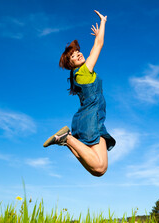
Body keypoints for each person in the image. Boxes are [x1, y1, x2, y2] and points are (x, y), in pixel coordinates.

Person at [43, 10, 115, 177]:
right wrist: (103, 23)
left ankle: (67, 141)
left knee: (100, 169)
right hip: (91, 120)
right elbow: (98, 45)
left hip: (92, 119)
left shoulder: (79, 75)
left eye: (78, 52)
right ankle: (67, 138)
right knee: (99, 168)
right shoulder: (83, 71)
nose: (78, 54)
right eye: (74, 56)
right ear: (71, 65)